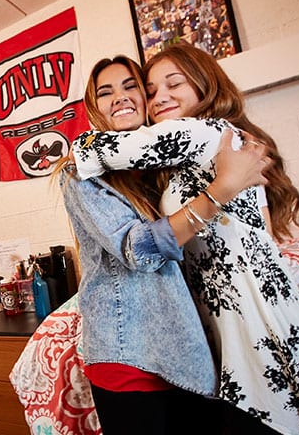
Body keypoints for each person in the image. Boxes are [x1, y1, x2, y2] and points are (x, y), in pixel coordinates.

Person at [72, 44, 299, 434]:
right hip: (236, 324)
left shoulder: (204, 133)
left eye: (172, 84)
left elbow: (96, 153)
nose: (160, 98)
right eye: (153, 89)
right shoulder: (214, 151)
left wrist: (75, 144)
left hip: (254, 327)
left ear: (204, 86)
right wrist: (224, 188)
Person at [51, 55, 271, 434]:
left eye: (131, 87)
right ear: (93, 106)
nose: (119, 97)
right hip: (128, 352)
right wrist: (223, 189)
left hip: (185, 345)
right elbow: (138, 249)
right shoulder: (80, 172)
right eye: (105, 93)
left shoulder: (162, 166)